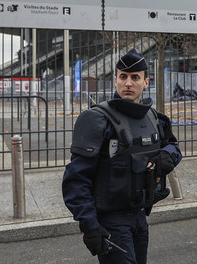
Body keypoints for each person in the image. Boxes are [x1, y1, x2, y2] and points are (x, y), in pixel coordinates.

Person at [63, 48, 182, 263]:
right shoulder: (97, 119)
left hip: (140, 218)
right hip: (111, 222)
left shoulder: (154, 118)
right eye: (123, 77)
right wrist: (90, 225)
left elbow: (173, 146)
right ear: (116, 80)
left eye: (135, 77)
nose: (128, 83)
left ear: (146, 82)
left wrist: (166, 156)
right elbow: (75, 179)